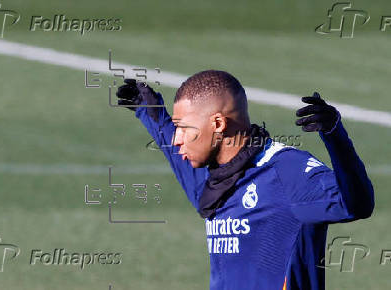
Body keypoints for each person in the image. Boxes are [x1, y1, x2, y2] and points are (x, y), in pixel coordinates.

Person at [115, 70, 374, 290]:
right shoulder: (215, 182)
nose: (177, 138)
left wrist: (334, 135)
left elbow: (357, 205)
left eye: (184, 127)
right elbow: (179, 157)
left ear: (217, 123)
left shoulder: (286, 172)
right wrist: (150, 112)